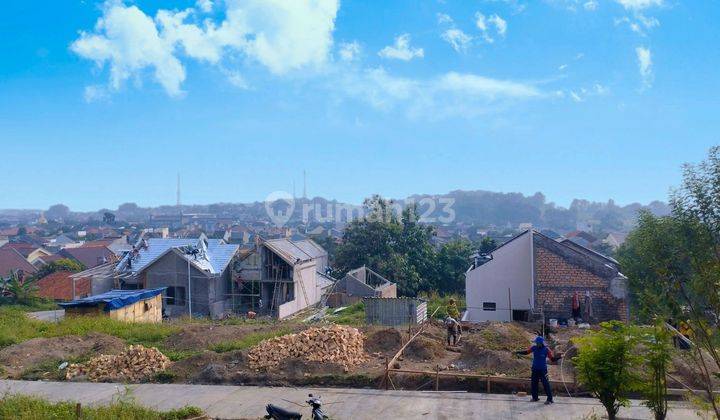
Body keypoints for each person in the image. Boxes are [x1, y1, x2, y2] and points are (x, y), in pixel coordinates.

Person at [516, 336, 561, 404]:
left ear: (541, 343)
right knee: (534, 384)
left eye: (538, 343)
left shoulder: (546, 350)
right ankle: (535, 398)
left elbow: (552, 359)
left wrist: (559, 357)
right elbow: (526, 352)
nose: (537, 344)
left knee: (546, 384)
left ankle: (550, 399)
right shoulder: (534, 348)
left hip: (543, 370)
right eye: (536, 343)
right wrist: (518, 352)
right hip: (535, 369)